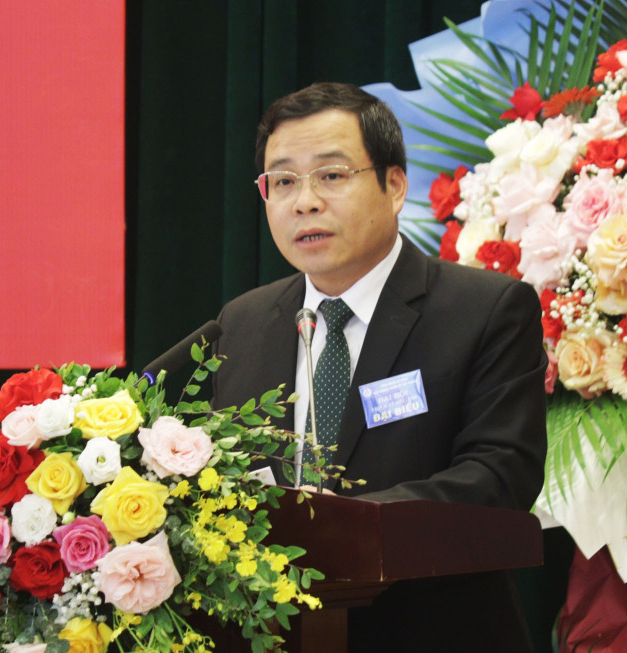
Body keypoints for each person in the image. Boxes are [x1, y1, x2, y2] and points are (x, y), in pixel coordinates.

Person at [212, 82, 547, 651]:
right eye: (283, 181)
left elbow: (499, 476)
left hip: (431, 632)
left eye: (331, 175)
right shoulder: (240, 324)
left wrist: (332, 526)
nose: (304, 202)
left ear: (394, 186)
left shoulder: (485, 310)